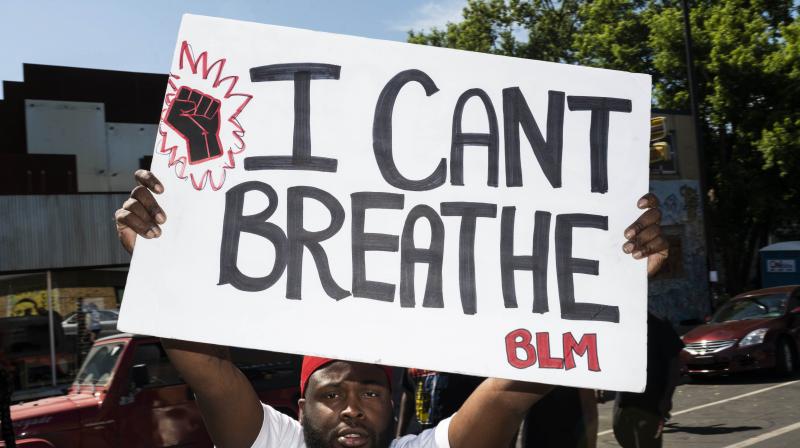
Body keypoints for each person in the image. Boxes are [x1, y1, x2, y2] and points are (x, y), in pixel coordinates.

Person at [115, 170, 668, 448]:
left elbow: (508, 391)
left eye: (371, 393)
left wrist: (608, 283)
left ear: (399, 407)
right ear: (299, 406)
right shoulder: (275, 442)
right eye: (330, 394)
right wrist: (161, 261)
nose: (351, 409)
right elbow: (211, 374)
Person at [612, 313, 684, 448]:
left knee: (648, 442)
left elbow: (675, 363)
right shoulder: (621, 323)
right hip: (624, 400)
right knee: (621, 434)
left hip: (650, 402)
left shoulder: (659, 323)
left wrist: (667, 397)